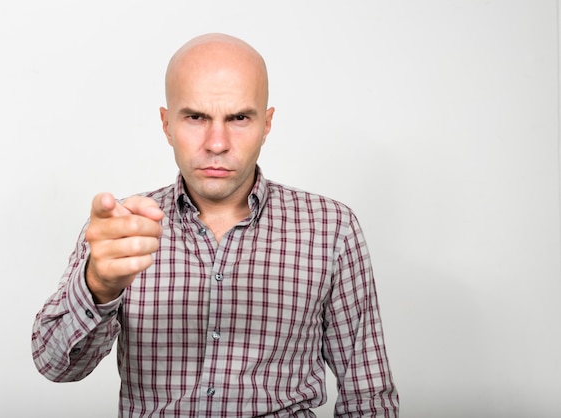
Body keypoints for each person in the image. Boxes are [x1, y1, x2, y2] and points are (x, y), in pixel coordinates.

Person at [32, 33, 399, 417]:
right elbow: (56, 366)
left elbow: (368, 395)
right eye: (196, 117)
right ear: (167, 124)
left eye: (239, 118)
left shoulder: (330, 228)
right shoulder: (123, 230)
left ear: (267, 124)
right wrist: (99, 287)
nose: (217, 143)